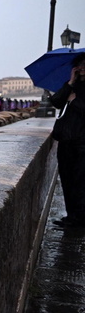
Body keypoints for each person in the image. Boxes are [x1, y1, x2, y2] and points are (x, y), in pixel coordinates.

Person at [50, 53, 85, 228]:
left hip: (81, 142)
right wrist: (70, 82)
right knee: (67, 179)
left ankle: (79, 218)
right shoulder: (73, 85)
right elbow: (55, 101)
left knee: (80, 182)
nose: (82, 67)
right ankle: (72, 216)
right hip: (65, 140)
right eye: (79, 64)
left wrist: (74, 101)